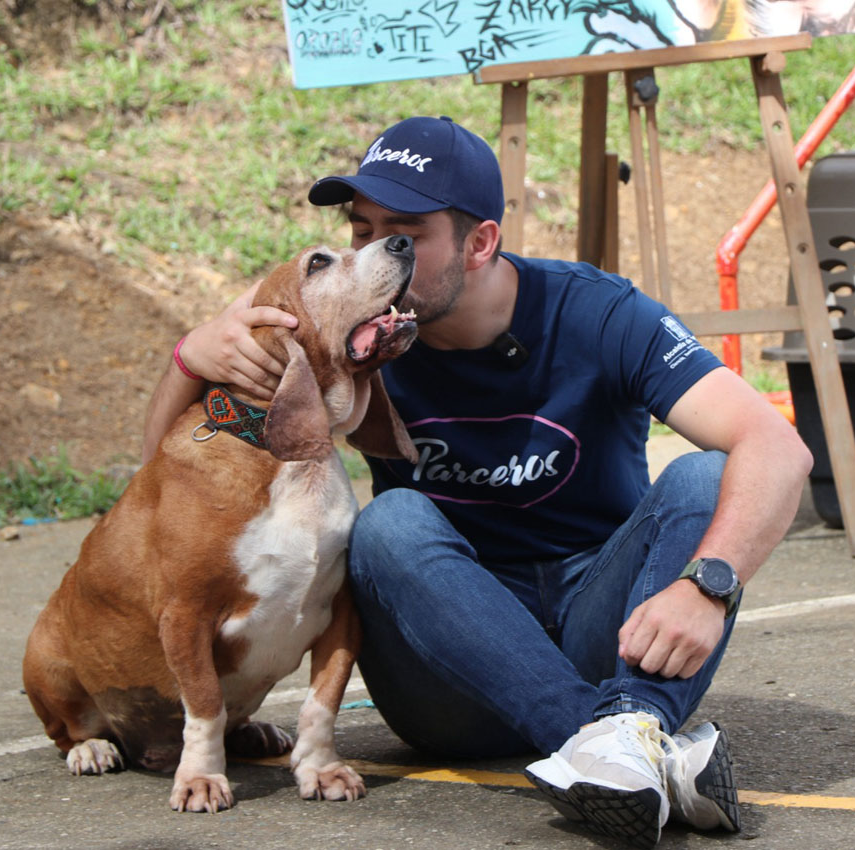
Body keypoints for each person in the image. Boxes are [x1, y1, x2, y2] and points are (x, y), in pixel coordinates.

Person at [142, 116, 813, 846]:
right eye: (360, 230)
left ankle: (624, 742)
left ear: (481, 242)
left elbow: (777, 448)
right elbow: (159, 474)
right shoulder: (362, 334)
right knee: (392, 522)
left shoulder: (598, 312)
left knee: (704, 478)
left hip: (603, 631)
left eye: (403, 233)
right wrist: (192, 355)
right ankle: (623, 740)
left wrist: (708, 585)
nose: (372, 254)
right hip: (445, 671)